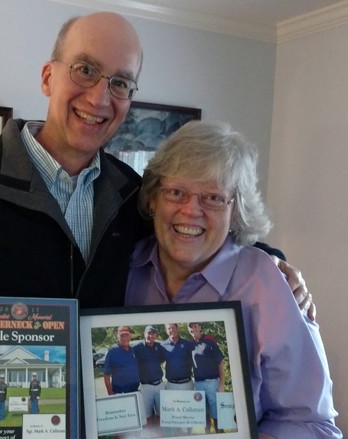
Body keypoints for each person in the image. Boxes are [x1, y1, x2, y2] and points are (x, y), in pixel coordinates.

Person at [0, 11, 312, 439]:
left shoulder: (134, 197)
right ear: (48, 76)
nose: (99, 97)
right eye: (85, 70)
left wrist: (273, 265)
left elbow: (196, 230)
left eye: (120, 83)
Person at [124, 120, 341, 438]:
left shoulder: (269, 285)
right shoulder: (122, 268)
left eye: (212, 197)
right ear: (153, 199)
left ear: (235, 209)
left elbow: (313, 424)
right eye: (176, 192)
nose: (191, 211)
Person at [188, 322, 224, 433]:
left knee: (216, 412)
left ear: (200, 327)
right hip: (198, 383)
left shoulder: (209, 340)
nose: (193, 328)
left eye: (195, 325)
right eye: (190, 326)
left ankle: (219, 434)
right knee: (203, 412)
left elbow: (220, 361)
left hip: (212, 382)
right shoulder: (190, 344)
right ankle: (207, 434)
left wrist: (222, 383)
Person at [132, 325, 164, 429]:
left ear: (156, 335)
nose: (151, 335)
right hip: (146, 386)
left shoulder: (159, 346)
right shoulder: (137, 348)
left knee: (161, 414)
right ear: (144, 334)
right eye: (148, 333)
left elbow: (163, 359)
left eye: (153, 333)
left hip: (159, 385)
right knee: (147, 417)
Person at [103, 326, 140, 395]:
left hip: (135, 391)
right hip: (120, 393)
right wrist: (110, 392)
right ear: (118, 337)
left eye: (127, 335)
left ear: (130, 336)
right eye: (122, 336)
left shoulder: (132, 350)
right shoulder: (112, 352)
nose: (125, 338)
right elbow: (106, 374)